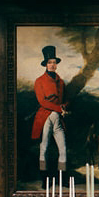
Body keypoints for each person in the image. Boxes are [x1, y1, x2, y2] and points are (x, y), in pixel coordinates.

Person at [31, 45, 68, 182]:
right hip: (45, 117)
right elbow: (42, 102)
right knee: (44, 147)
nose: (52, 65)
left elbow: (64, 100)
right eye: (49, 62)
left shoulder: (61, 82)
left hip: (58, 119)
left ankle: (62, 179)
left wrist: (64, 106)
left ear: (56, 65)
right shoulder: (39, 81)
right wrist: (59, 108)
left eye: (54, 62)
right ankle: (44, 180)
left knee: (63, 149)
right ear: (45, 65)